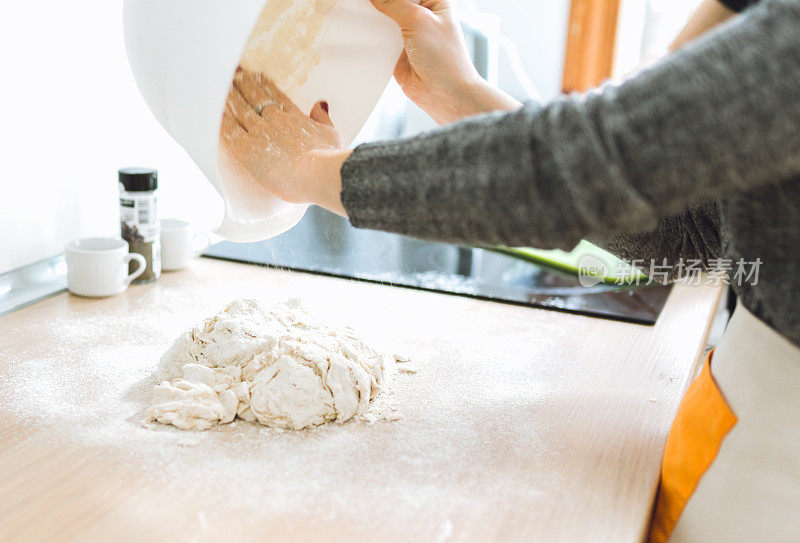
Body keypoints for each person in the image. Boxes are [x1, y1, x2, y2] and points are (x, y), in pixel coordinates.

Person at [220, 0, 800, 541]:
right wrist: (461, 96)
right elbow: (693, 233)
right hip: (746, 418)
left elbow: (584, 166)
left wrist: (312, 169)